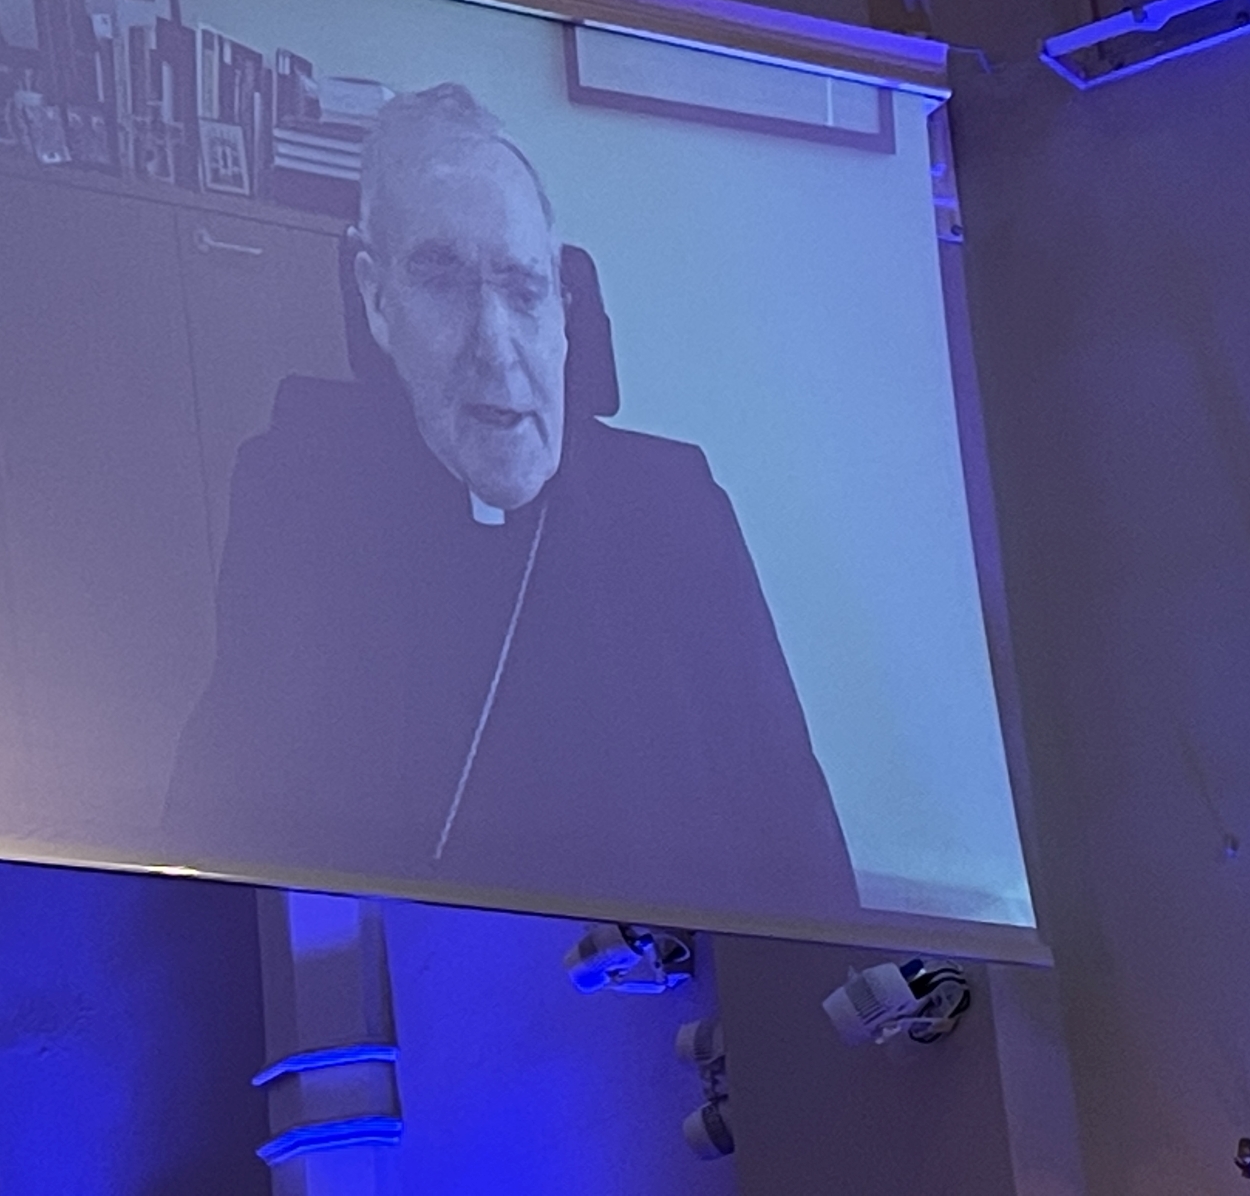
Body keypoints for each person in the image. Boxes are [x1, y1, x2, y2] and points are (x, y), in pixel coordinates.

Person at [164, 83, 856, 919]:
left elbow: (790, 814)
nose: (494, 347)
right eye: (443, 282)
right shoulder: (297, 491)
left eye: (524, 289)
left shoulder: (678, 507)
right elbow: (224, 801)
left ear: (563, 312)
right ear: (377, 299)